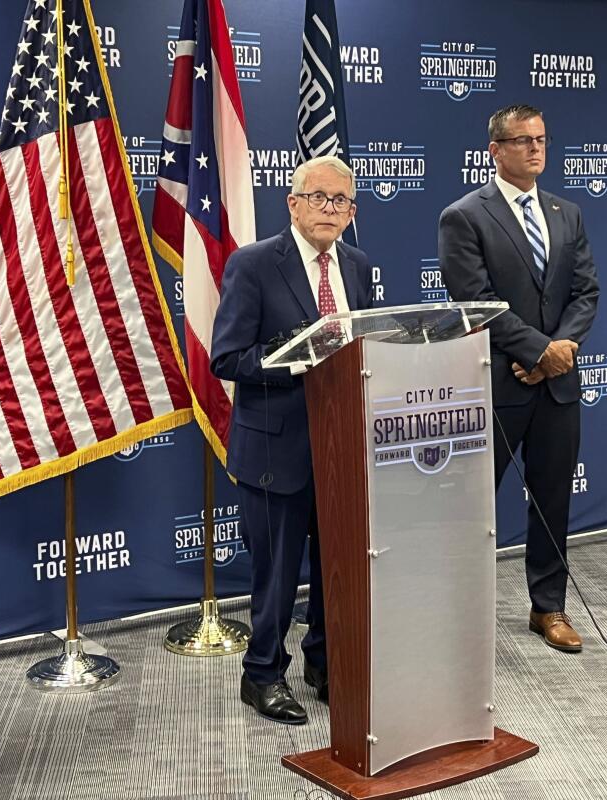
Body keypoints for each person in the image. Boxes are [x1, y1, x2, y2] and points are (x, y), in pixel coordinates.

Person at [210, 155, 372, 724]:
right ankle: (262, 674)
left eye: (341, 202)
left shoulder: (356, 264)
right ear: (293, 203)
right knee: (275, 578)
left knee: (337, 569)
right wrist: (300, 359)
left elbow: (365, 347)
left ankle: (324, 665)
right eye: (319, 197)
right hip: (276, 449)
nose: (330, 209)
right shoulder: (253, 265)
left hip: (343, 449)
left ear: (351, 212)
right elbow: (226, 358)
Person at [438, 105, 600, 652]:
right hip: (497, 385)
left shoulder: (567, 212)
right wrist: (536, 350)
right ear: (495, 150)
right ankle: (459, 612)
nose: (535, 149)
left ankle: (549, 608)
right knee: (475, 506)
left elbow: (586, 293)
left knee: (552, 499)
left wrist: (558, 351)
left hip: (556, 386)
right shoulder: (464, 215)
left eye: (541, 139)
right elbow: (475, 301)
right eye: (522, 140)